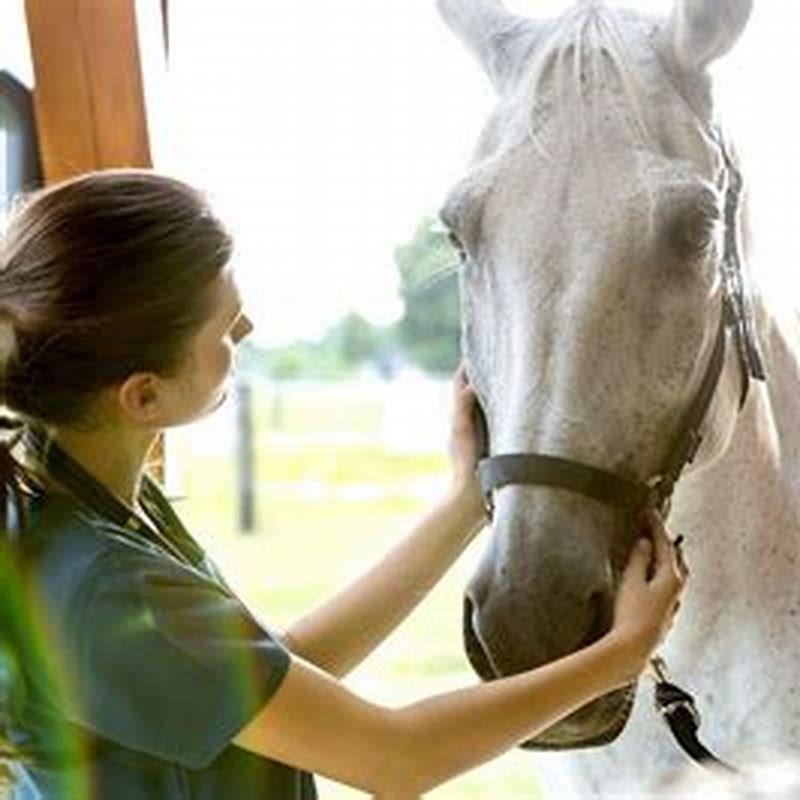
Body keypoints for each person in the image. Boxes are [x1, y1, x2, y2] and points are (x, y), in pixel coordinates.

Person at [0, 169, 686, 800]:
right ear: (143, 396)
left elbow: (278, 674)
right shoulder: (103, 590)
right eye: (224, 326)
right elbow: (395, 758)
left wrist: (462, 504)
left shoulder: (90, 503)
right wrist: (620, 654)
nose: (248, 326)